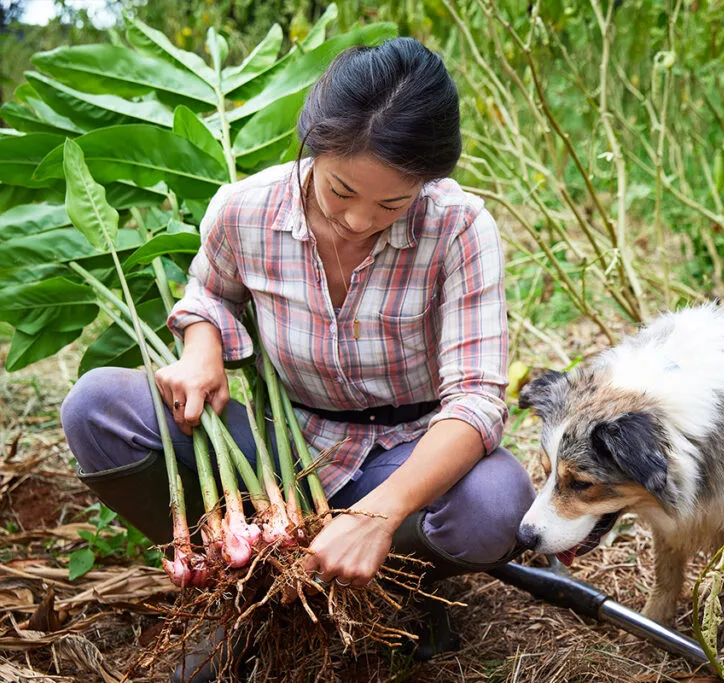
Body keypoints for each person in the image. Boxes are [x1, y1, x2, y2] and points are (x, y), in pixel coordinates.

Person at [59, 36, 535, 681]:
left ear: (429, 180)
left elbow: (478, 399)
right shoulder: (244, 208)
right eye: (342, 191)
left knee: (495, 505)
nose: (361, 220)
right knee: (96, 406)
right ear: (314, 143)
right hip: (287, 445)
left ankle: (396, 592)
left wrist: (378, 513)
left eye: (392, 203)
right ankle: (243, 585)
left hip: (406, 452)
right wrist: (202, 351)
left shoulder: (458, 225)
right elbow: (208, 295)